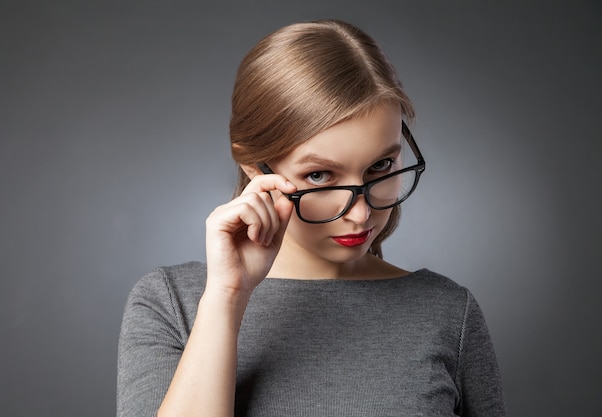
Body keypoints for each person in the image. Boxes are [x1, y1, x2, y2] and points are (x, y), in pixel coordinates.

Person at [117, 19, 506, 417]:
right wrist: (227, 297)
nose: (360, 213)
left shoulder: (447, 312)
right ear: (255, 167)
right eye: (319, 176)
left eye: (381, 165)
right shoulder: (171, 304)